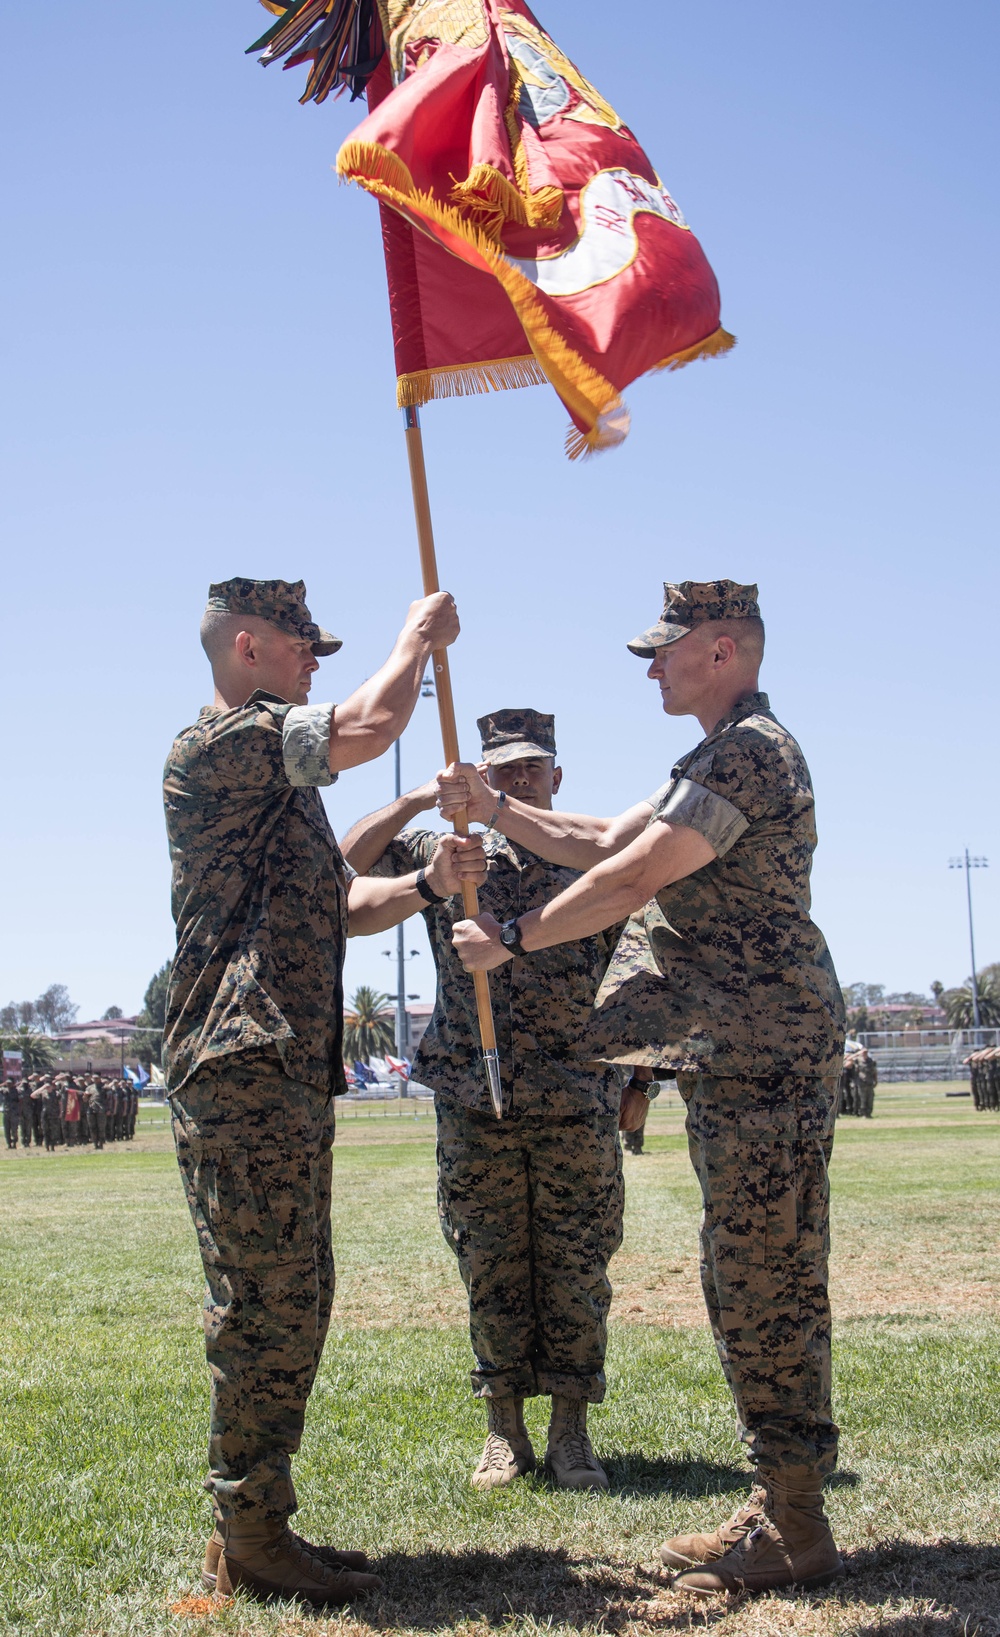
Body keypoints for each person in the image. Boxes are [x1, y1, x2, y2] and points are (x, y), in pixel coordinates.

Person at [442, 580, 846, 1598]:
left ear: (721, 648)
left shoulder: (749, 750)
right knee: (748, 1276)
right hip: (742, 1055)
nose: (650, 666)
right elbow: (598, 842)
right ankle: (779, 1497)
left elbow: (633, 879)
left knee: (765, 1282)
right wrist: (496, 809)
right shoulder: (716, 756)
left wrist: (514, 936)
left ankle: (792, 1517)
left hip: (763, 1056)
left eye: (662, 651)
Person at [162, 575, 458, 1606]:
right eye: (301, 642)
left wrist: (426, 884)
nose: (313, 658)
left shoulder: (279, 778)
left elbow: (344, 901)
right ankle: (247, 1533)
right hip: (239, 1061)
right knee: (264, 1300)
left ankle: (255, 1524)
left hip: (277, 1065)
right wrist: (415, 637)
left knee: (294, 1294)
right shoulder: (226, 743)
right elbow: (374, 722)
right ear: (248, 644)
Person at [342, 710, 626, 1493]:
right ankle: (505, 1429)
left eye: (532, 767)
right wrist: (414, 807)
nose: (517, 778)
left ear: (556, 775)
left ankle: (571, 1431)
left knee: (576, 1265)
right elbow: (342, 870)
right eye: (502, 768)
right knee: (489, 1259)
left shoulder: (584, 849)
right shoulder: (456, 848)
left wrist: (640, 1079)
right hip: (478, 1093)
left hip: (576, 1094)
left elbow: (640, 945)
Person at [2, 1077, 19, 1149]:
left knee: (14, 1129)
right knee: (7, 1130)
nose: (8, 1085)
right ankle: (9, 1144)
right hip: (6, 1113)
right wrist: (3, 1084)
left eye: (10, 1083)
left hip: (14, 1113)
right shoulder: (4, 1090)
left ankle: (14, 1143)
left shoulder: (16, 1091)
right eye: (7, 1083)